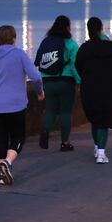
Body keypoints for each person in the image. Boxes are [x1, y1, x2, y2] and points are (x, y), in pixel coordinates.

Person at [0, 25, 44, 186]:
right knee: (18, 137)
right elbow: (36, 77)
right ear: (14, 38)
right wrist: (39, 92)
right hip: (15, 105)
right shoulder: (19, 54)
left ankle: (3, 176)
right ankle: (7, 163)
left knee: (1, 138)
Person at [75, 17, 112, 164]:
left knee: (95, 119)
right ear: (102, 29)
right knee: (103, 121)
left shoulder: (84, 49)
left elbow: (78, 66)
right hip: (109, 89)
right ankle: (101, 153)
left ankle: (97, 147)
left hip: (89, 89)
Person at [36, 15, 81, 151]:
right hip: (65, 81)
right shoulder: (71, 44)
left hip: (48, 81)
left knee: (50, 110)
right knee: (65, 113)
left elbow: (39, 62)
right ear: (67, 27)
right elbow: (75, 65)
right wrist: (79, 81)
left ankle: (45, 131)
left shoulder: (46, 42)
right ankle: (65, 143)